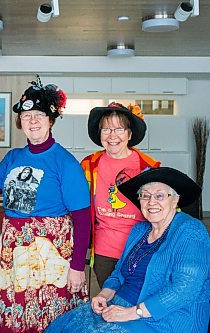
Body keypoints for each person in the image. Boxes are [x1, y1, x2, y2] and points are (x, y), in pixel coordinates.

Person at [0, 76, 91, 332]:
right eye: (27, 117)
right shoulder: (13, 157)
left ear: (50, 120)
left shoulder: (65, 161)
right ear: (21, 123)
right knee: (14, 316)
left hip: (51, 251)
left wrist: (77, 267)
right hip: (13, 248)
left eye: (39, 115)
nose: (33, 121)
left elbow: (83, 218)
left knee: (49, 317)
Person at [46, 167, 210, 333]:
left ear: (175, 200)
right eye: (145, 196)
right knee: (63, 325)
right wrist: (104, 295)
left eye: (160, 196)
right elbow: (119, 273)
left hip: (166, 320)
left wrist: (133, 312)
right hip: (120, 306)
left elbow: (184, 289)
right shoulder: (139, 230)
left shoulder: (191, 231)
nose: (151, 202)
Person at [80, 102, 160, 287]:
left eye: (119, 129)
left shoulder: (147, 167)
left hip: (141, 248)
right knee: (108, 305)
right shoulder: (89, 165)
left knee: (133, 304)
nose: (112, 135)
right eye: (106, 129)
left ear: (129, 134)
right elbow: (78, 206)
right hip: (104, 252)